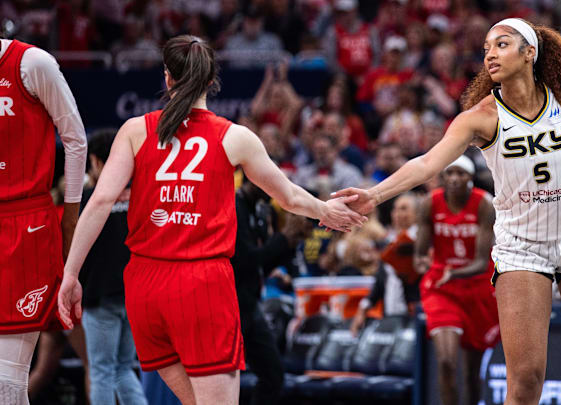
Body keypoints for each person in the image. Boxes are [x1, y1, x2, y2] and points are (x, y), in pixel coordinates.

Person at [334, 18, 561, 404]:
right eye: (486, 48)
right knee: (526, 380)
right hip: (522, 247)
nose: (491, 54)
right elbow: (427, 164)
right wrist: (375, 195)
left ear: (530, 53)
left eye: (502, 44)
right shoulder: (480, 117)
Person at [57, 35, 365, 405]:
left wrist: (71, 274)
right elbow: (289, 196)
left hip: (144, 286)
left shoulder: (135, 130)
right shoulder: (234, 137)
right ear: (210, 81)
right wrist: (325, 210)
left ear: (167, 78)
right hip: (200, 284)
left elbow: (100, 202)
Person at [0, 37, 87, 404]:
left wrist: (70, 219)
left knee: (8, 375)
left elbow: (76, 140)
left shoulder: (32, 63)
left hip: (25, 225)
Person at [415, 155, 499, 405]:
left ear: (470, 178)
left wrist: (454, 272)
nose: (453, 179)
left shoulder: (484, 204)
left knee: (472, 372)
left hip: (478, 285)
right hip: (443, 289)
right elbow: (420, 255)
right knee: (446, 361)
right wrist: (422, 265)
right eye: (449, 173)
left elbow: (481, 261)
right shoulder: (430, 203)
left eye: (460, 174)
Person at [79, 130, 148, 405]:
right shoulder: (140, 195)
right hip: (134, 296)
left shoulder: (88, 200)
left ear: (95, 161)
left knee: (102, 372)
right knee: (122, 368)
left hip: (99, 298)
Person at [230, 179, 312, 405]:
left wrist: (292, 241)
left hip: (250, 303)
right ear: (252, 180)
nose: (274, 189)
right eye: (268, 181)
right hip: (230, 304)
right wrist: (284, 238)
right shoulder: (234, 207)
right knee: (226, 377)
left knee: (273, 376)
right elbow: (246, 261)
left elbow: (263, 265)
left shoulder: (262, 209)